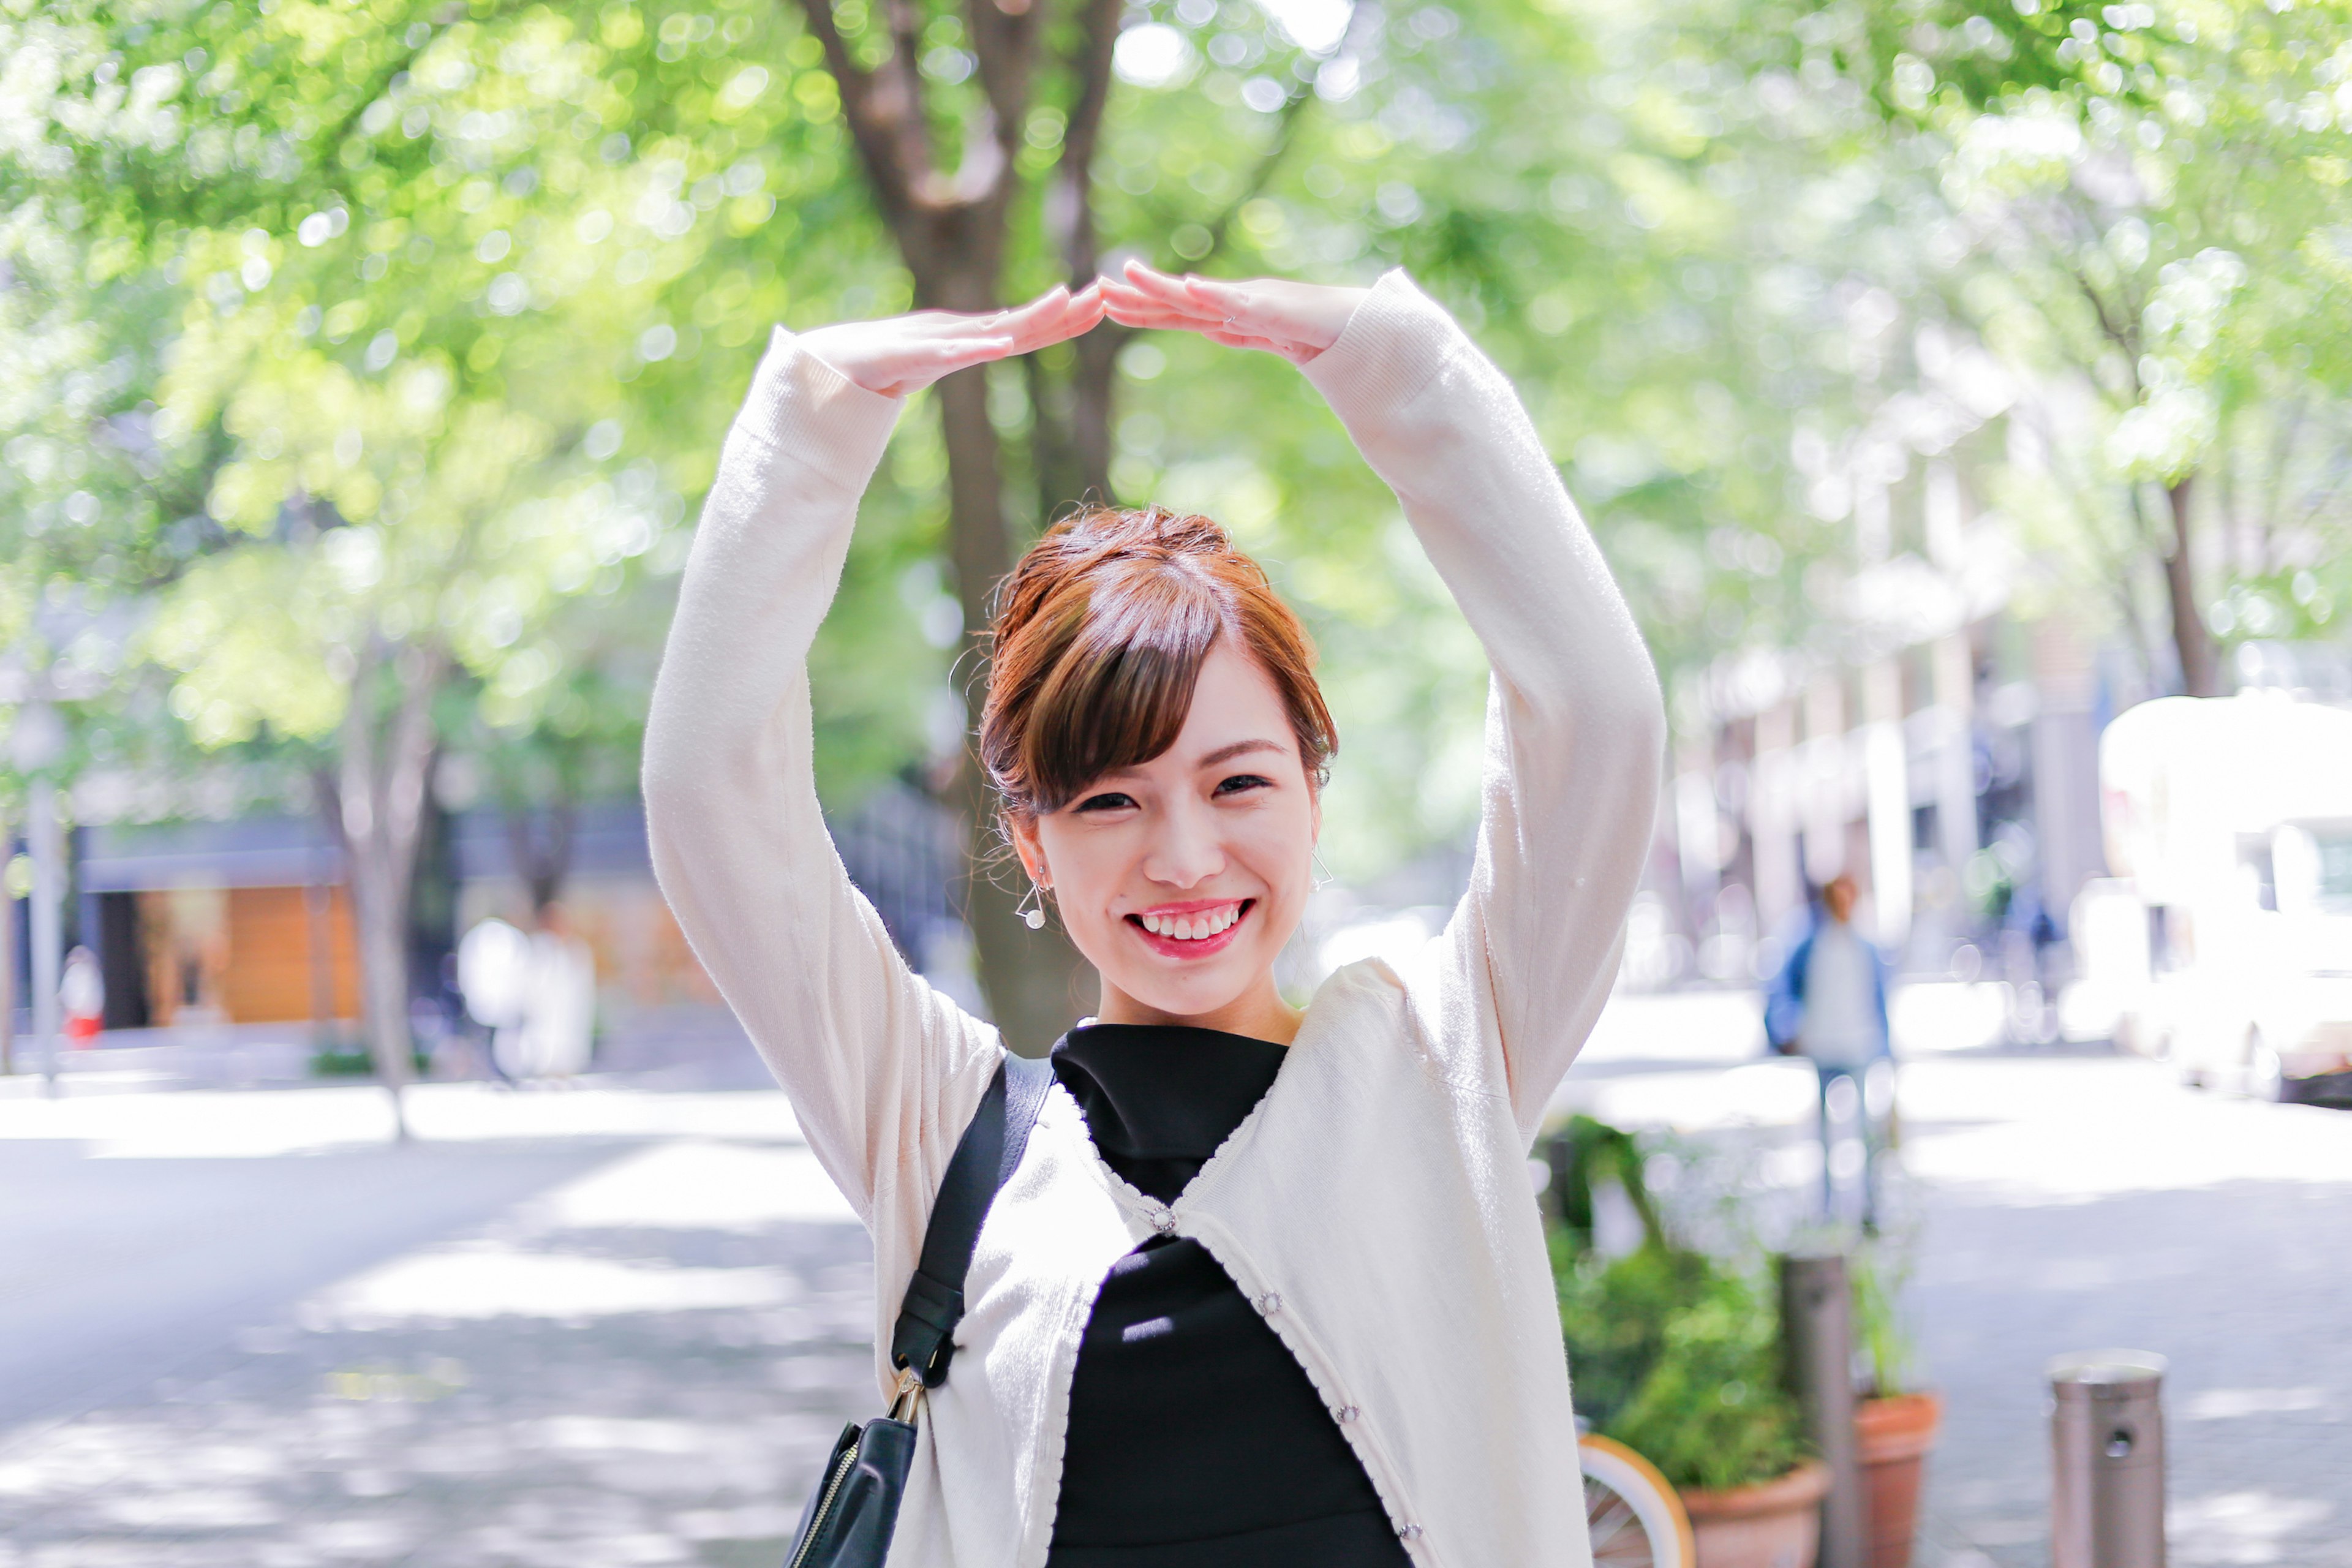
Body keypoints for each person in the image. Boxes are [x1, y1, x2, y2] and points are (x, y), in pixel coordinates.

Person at [643, 258, 1664, 1566]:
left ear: (1311, 787)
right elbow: (707, 794)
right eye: (1110, 803)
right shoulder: (942, 1129)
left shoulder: (1441, 1067)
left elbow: (1599, 714)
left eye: (1238, 781)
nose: (1185, 857)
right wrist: (815, 420)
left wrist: (1395, 370)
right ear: (1032, 840)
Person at [1765, 872, 1893, 1222]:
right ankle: (1825, 1209)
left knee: (1865, 1135)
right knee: (1823, 1137)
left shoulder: (1864, 947)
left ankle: (1870, 1208)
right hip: (1822, 1048)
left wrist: (1889, 1052)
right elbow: (1782, 992)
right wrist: (1786, 1030)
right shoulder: (1809, 945)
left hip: (1858, 1047)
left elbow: (1879, 1000)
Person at [59, 946, 104, 1048]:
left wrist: (75, 1009)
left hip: (82, 1015)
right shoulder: (87, 972)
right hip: (84, 1015)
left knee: (84, 1045)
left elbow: (79, 995)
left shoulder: (81, 972)